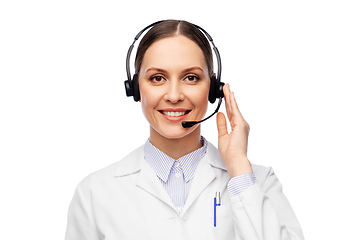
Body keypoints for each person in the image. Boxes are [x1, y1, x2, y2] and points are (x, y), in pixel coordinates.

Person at [65, 20, 304, 240]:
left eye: (190, 78)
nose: (174, 96)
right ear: (136, 88)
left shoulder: (258, 181)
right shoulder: (94, 193)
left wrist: (239, 170)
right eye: (158, 78)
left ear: (213, 89)